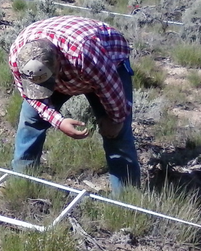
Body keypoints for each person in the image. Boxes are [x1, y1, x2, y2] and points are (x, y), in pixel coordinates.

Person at [8, 15, 140, 194]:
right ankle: (22, 183)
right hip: (75, 66)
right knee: (31, 120)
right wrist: (59, 121)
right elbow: (31, 97)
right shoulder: (18, 56)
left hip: (108, 61)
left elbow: (111, 89)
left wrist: (115, 119)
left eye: (47, 84)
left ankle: (127, 198)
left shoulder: (85, 56)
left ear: (59, 67)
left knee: (117, 134)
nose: (44, 90)